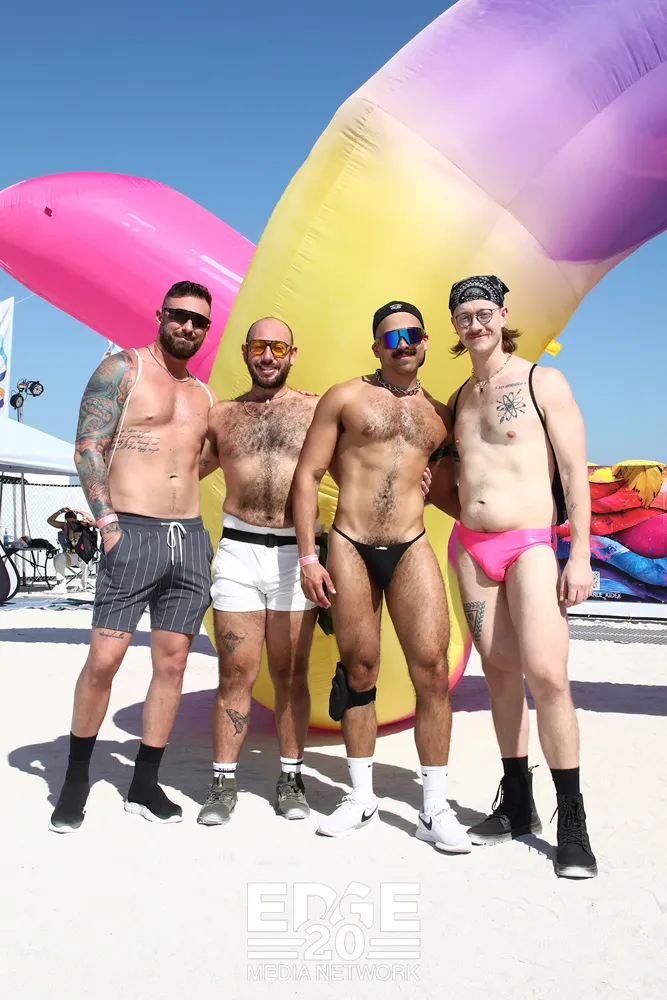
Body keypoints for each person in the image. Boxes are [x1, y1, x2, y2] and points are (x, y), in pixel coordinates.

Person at [428, 274, 597, 878]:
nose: (474, 324)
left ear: (502, 315)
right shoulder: (458, 398)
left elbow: (574, 472)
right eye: (463, 316)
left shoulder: (540, 381)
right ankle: (518, 804)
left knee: (548, 675)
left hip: (529, 544)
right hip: (472, 547)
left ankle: (572, 821)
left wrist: (580, 554)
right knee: (499, 673)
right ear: (454, 325)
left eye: (484, 313)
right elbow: (451, 477)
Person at [293, 301, 471, 853]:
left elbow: (452, 485)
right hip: (350, 544)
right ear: (376, 347)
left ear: (426, 341)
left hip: (411, 545)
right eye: (391, 338)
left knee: (433, 671)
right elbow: (307, 475)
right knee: (360, 668)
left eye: (412, 334)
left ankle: (434, 807)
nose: (403, 344)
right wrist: (308, 558)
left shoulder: (440, 415)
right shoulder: (345, 397)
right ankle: (362, 796)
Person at [49, 280, 217, 833]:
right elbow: (88, 446)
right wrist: (107, 522)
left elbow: (201, 460)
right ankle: (75, 779)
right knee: (104, 660)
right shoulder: (123, 368)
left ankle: (144, 783)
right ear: (160, 315)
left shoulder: (204, 394)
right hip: (130, 532)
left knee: (172, 663)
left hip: (187, 537)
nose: (188, 326)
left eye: (199, 321)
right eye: (180, 315)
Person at [195, 317, 323, 826]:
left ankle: (291, 777)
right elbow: (184, 470)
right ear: (246, 352)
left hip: (296, 554)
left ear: (293, 353)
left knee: (291, 674)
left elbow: (363, 462)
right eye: (258, 347)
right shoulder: (222, 415)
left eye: (278, 347)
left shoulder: (315, 410)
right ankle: (223, 782)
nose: (268, 356)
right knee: (235, 673)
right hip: (239, 554)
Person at [47, 507, 96, 593]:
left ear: (75, 519)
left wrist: (80, 511)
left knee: (86, 562)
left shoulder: (82, 524)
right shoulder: (65, 526)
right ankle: (61, 585)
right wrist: (60, 511)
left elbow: (91, 520)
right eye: (68, 521)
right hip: (71, 555)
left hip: (82, 554)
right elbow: (50, 521)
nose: (71, 524)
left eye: (72, 521)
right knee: (58, 558)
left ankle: (83, 585)